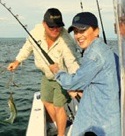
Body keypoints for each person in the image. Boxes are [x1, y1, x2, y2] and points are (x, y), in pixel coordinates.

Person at [7, 8, 80, 136]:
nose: (55, 30)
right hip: (46, 75)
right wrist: (17, 61)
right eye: (51, 27)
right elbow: (27, 47)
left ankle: (61, 134)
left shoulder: (66, 40)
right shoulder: (36, 32)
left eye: (58, 26)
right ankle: (61, 122)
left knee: (58, 106)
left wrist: (77, 84)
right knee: (46, 101)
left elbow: (72, 63)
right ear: (44, 24)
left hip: (62, 77)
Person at [49, 12, 121, 136]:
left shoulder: (94, 54)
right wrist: (85, 91)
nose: (78, 36)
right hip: (111, 119)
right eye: (75, 32)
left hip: (98, 123)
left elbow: (72, 82)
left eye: (82, 30)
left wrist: (57, 71)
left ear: (96, 31)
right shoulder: (106, 50)